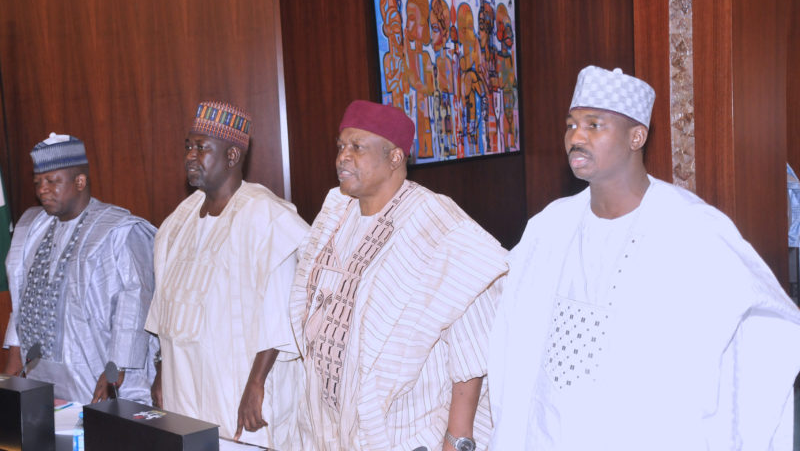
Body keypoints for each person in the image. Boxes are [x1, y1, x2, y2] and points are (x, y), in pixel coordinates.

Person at [488, 66, 800, 450]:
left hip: (647, 430)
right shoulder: (549, 226)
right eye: (571, 125)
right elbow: (512, 325)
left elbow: (769, 320)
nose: (576, 137)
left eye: (594, 124)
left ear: (637, 136)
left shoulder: (691, 227)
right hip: (551, 428)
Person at [289, 100, 507, 450]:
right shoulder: (335, 212)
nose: (343, 157)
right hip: (331, 428)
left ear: (394, 157)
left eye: (357, 147)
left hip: (407, 429)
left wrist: (457, 438)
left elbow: (473, 342)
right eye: (341, 146)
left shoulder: (436, 222)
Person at [144, 101, 309, 449]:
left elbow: (280, 313)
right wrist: (161, 372)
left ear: (232, 156)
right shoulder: (178, 221)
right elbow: (166, 307)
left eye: (202, 147)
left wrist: (256, 384)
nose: (190, 155)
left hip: (237, 383)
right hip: (182, 384)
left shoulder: (265, 216)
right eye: (188, 146)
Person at [3, 133, 156, 404]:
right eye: (38, 182)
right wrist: (11, 371)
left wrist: (114, 371)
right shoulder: (31, 228)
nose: (42, 190)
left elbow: (136, 304)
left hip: (97, 370)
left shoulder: (118, 230)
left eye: (52, 181)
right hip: (42, 373)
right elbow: (21, 300)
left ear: (80, 181)